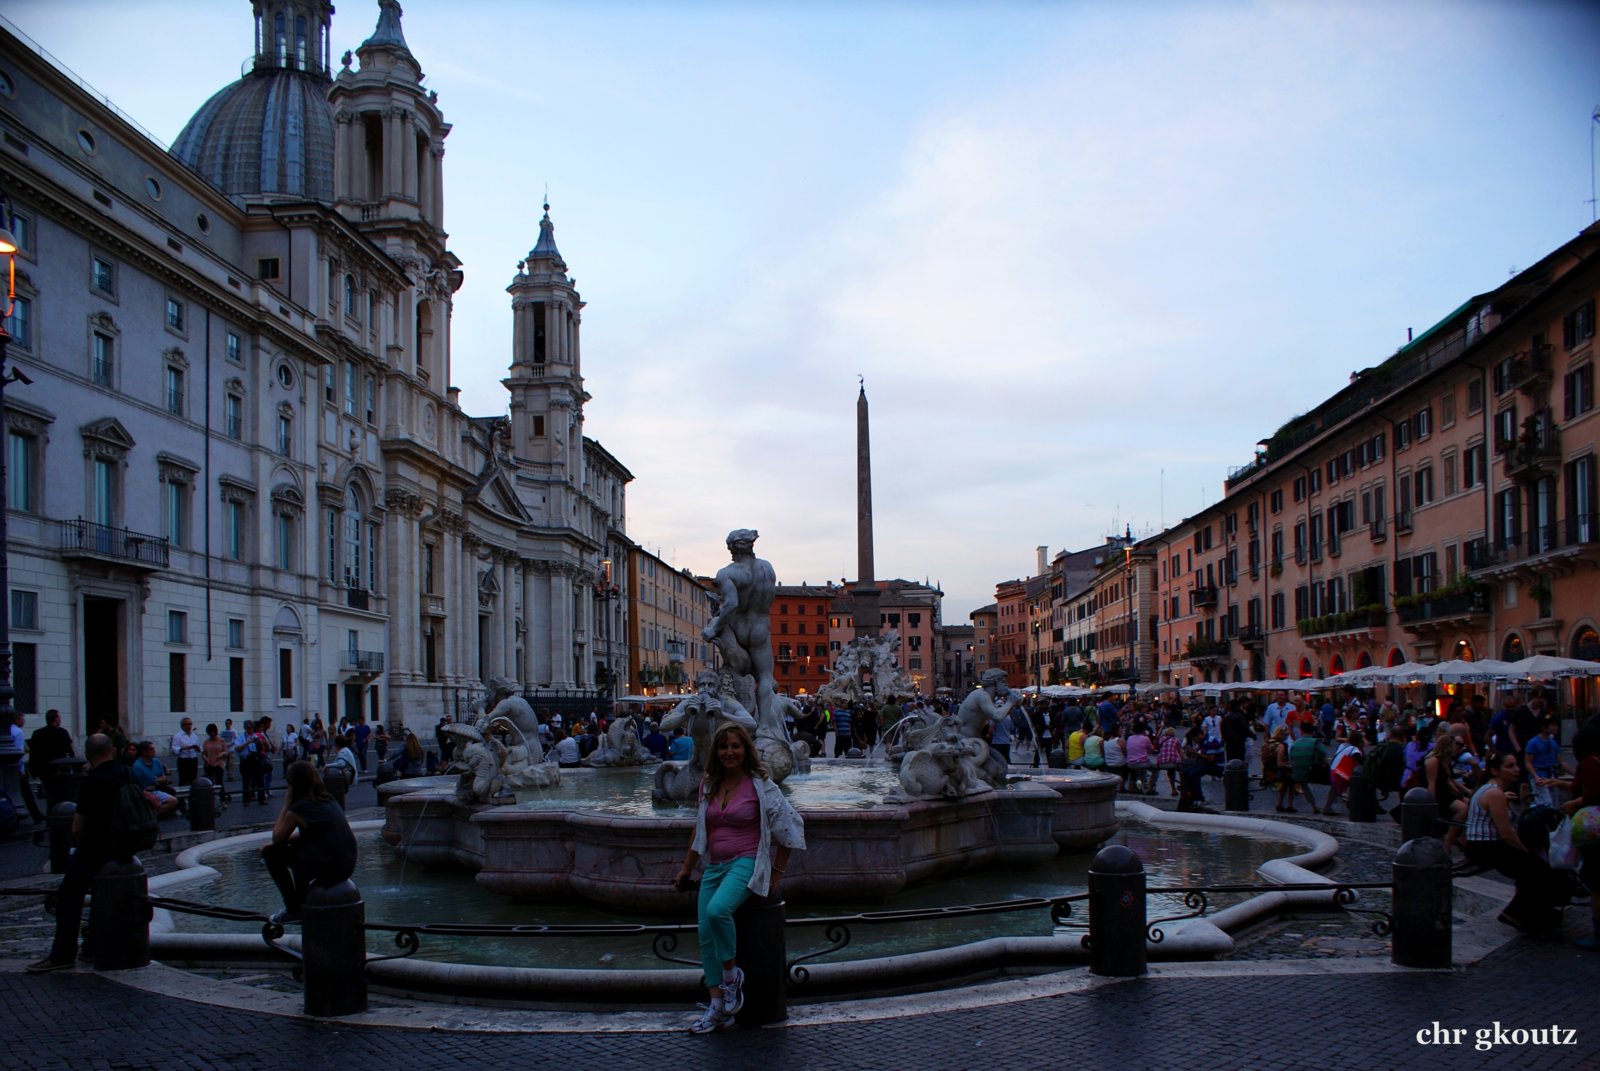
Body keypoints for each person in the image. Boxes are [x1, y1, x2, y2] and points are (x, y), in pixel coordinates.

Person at [673, 722, 805, 1034]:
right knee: (706, 935)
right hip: (714, 866)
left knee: (718, 911)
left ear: (745, 749)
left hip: (745, 862)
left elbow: (790, 824)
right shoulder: (709, 784)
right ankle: (717, 1006)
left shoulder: (759, 783)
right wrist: (686, 868)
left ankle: (732, 978)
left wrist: (775, 874)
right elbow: (699, 830)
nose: (729, 752)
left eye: (735, 746)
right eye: (723, 747)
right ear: (716, 753)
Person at [27, 734, 133, 972]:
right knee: (103, 898)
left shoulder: (93, 780)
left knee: (68, 898)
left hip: (94, 847)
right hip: (122, 847)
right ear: (113, 751)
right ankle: (91, 948)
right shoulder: (125, 772)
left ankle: (63, 954)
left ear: (88, 754)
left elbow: (77, 826)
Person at [1461, 751, 1568, 937]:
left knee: (1535, 869)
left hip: (1484, 845)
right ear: (1495, 771)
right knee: (1539, 869)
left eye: (1516, 765)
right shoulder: (1495, 794)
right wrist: (1526, 851)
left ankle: (1533, 913)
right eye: (1509, 766)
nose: (1516, 769)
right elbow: (1506, 834)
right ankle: (1516, 914)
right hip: (1487, 847)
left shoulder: (1492, 791)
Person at [260, 761, 359, 926]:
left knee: (270, 854)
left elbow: (277, 838)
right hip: (346, 864)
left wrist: (286, 803)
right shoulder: (327, 800)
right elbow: (315, 832)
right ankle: (302, 901)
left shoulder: (298, 808)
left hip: (329, 868)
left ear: (293, 784)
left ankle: (293, 909)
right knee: (300, 848)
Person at [130, 741, 180, 817]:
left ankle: (154, 814)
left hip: (156, 789)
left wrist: (154, 780)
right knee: (156, 802)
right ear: (144, 752)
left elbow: (162, 777)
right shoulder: (137, 766)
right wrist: (155, 780)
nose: (154, 751)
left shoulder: (156, 761)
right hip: (144, 791)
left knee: (173, 801)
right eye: (151, 749)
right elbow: (139, 782)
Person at [201, 723, 231, 807]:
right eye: (210, 732)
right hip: (208, 764)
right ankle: (210, 800)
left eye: (213, 732)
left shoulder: (221, 740)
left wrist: (222, 754)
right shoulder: (206, 742)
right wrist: (205, 758)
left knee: (219, 781)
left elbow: (226, 751)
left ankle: (223, 801)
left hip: (219, 763)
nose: (212, 734)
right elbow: (203, 753)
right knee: (209, 783)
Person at [169, 717, 203, 787]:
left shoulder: (194, 735)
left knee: (193, 780)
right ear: (182, 726)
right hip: (183, 760)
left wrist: (198, 749)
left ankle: (193, 796)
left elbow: (199, 747)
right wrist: (185, 747)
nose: (189, 726)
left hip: (193, 759)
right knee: (183, 780)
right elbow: (174, 749)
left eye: (190, 724)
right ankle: (182, 796)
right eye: (187, 724)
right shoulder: (178, 736)